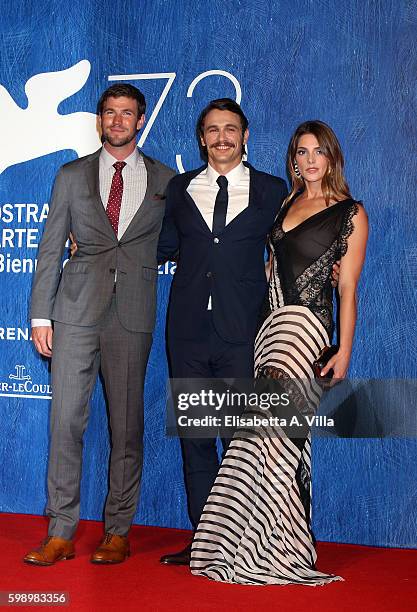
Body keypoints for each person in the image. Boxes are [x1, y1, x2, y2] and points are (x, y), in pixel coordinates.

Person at [190, 120, 368, 585]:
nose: (309, 160)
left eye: (317, 152)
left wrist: (344, 351)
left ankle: (274, 546)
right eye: (301, 152)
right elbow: (272, 263)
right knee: (267, 437)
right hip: (268, 327)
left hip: (305, 329)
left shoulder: (350, 212)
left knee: (272, 434)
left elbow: (347, 289)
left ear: (332, 157)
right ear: (293, 160)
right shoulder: (287, 201)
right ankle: (260, 539)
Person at [24, 84, 175, 566]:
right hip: (73, 312)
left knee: (126, 426)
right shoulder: (70, 175)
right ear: (100, 119)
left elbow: (180, 242)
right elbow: (50, 247)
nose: (117, 121)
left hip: (132, 314)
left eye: (126, 114)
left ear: (140, 120)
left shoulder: (165, 180)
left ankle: (118, 530)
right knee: (65, 420)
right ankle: (60, 531)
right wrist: (40, 314)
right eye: (110, 113)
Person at [157, 99, 289, 565]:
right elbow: (160, 246)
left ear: (245, 135)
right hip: (188, 333)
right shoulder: (179, 189)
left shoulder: (274, 190)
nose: (222, 138)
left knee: (239, 443)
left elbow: (292, 246)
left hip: (242, 332)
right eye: (212, 130)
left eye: (230, 129)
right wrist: (93, 242)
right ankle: (203, 540)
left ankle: (240, 544)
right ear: (201, 139)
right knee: (196, 443)